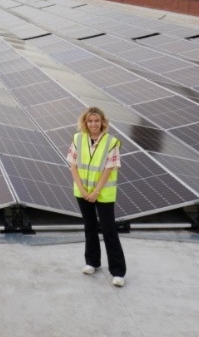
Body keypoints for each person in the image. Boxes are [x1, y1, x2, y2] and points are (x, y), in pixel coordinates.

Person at [68, 106, 127, 287]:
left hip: (103, 193)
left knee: (109, 230)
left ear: (103, 122)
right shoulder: (78, 139)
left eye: (97, 121)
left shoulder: (111, 142)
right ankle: (92, 262)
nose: (93, 124)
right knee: (90, 227)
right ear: (85, 122)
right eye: (90, 121)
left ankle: (118, 272)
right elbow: (73, 166)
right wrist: (84, 191)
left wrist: (95, 192)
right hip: (82, 192)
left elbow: (109, 170)